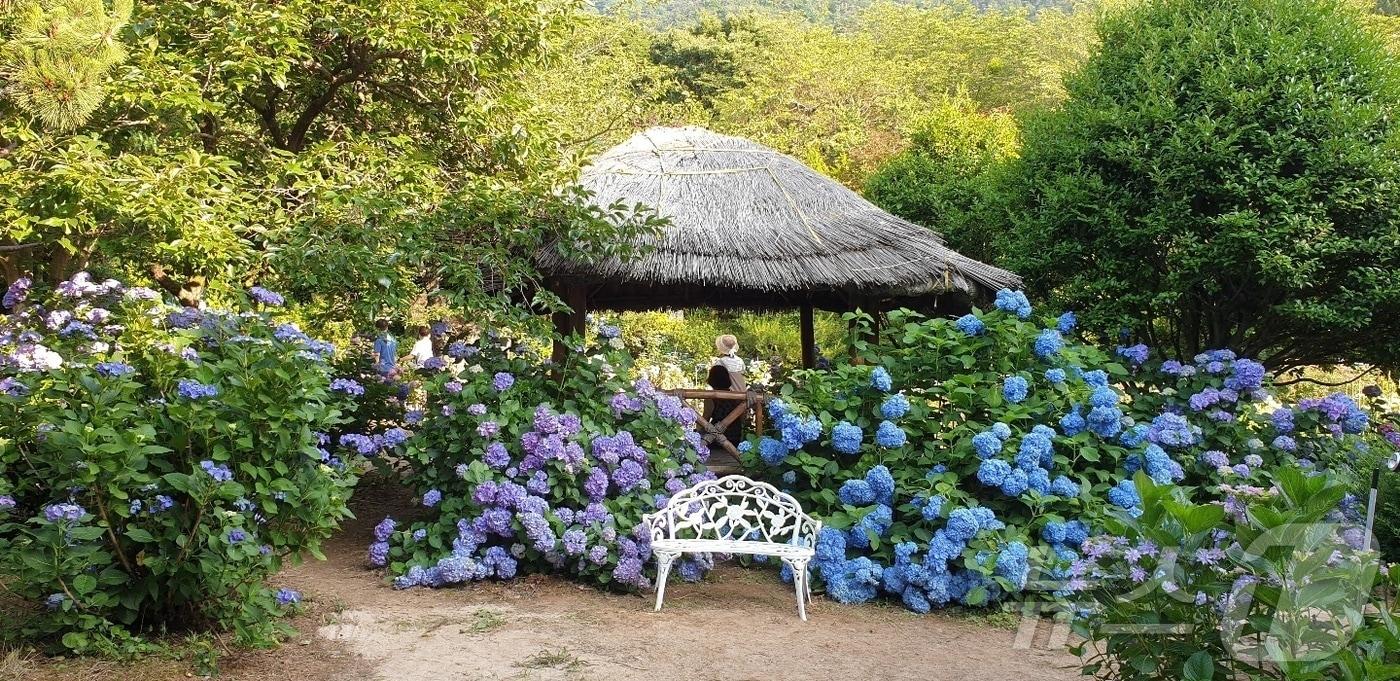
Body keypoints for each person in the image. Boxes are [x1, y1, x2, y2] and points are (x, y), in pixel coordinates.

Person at [705, 334, 747, 450]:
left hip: (726, 393)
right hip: (740, 393)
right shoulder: (739, 361)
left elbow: (718, 374)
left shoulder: (720, 362)